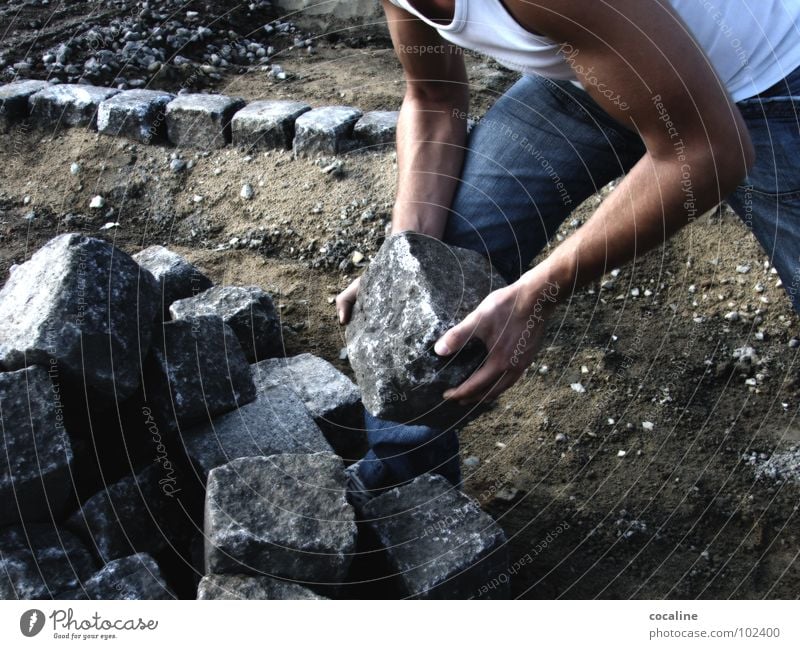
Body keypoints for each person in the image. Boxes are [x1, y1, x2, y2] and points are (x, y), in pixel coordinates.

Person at [337, 0, 800, 508]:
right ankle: (404, 500)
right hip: (594, 69)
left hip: (767, 83)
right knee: (445, 261)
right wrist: (403, 262)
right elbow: (431, 98)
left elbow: (709, 149)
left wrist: (541, 291)